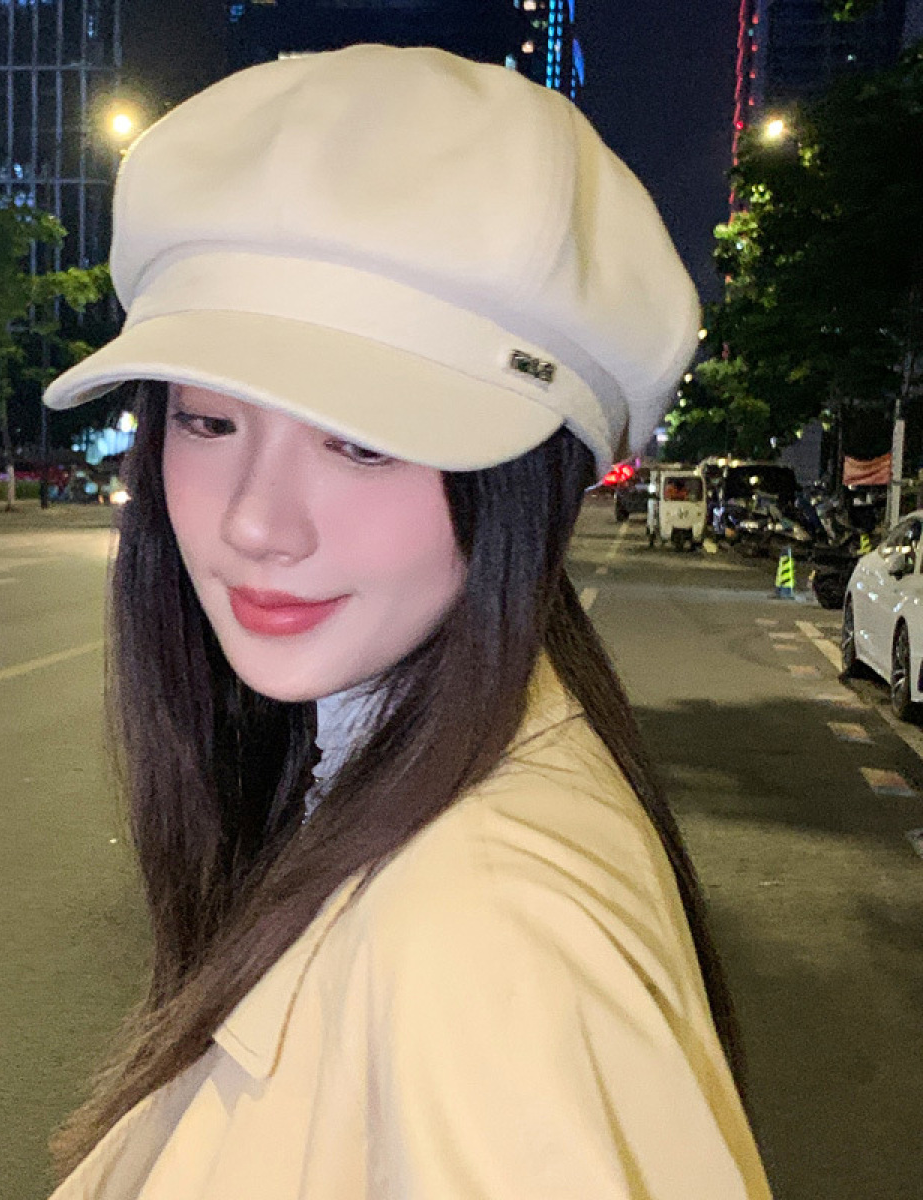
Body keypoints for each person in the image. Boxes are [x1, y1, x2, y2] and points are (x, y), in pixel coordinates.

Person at [40, 46, 773, 1199]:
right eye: (209, 423)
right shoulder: (412, 778)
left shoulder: (486, 935)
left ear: (531, 483)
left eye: (363, 441)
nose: (255, 523)